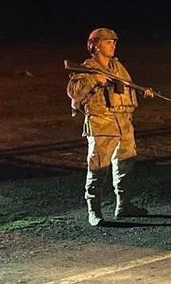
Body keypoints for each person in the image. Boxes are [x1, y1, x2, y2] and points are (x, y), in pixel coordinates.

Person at [66, 27, 156, 226]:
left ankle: (123, 205)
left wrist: (142, 92)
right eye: (108, 42)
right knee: (98, 168)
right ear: (96, 46)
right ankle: (94, 210)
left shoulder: (117, 67)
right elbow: (74, 92)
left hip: (123, 122)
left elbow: (126, 86)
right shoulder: (87, 68)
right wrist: (94, 79)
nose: (113, 45)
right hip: (102, 123)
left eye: (114, 42)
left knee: (125, 164)